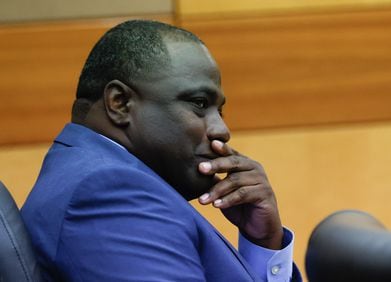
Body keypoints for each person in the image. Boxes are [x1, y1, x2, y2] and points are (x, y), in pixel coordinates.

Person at [21, 20, 300, 281]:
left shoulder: (98, 178)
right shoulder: (108, 193)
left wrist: (262, 243)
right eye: (200, 104)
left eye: (220, 111)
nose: (221, 130)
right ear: (119, 103)